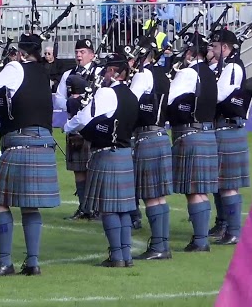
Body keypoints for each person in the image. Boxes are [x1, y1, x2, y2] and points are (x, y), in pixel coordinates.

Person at [0, 33, 61, 276]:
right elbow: (26, 110)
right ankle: (32, 263)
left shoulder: (14, 67)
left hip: (20, 143)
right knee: (30, 206)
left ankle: (5, 261)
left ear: (20, 53)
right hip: (43, 142)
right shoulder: (44, 74)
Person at [65, 57, 140, 267]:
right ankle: (126, 256)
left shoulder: (107, 92)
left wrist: (68, 126)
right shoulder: (131, 95)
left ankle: (116, 256)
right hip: (125, 153)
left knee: (108, 208)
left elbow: (84, 118)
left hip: (107, 154)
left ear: (114, 71)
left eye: (106, 70)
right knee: (124, 208)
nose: (103, 74)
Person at [168, 33, 220, 252]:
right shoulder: (210, 73)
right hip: (208, 132)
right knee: (202, 189)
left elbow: (170, 101)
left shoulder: (188, 72)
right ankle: (201, 237)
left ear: (190, 53)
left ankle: (200, 240)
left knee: (194, 189)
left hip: (190, 132)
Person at [129, 43, 175, 260]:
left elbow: (129, 103)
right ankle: (161, 245)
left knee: (150, 195)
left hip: (146, 137)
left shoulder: (143, 74)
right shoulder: (163, 74)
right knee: (159, 196)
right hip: (161, 135)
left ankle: (158, 247)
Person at [209, 29, 250, 247]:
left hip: (228, 128)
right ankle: (223, 224)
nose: (212, 51)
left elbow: (218, 95)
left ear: (224, 48)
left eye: (215, 47)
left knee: (228, 184)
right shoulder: (224, 66)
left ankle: (233, 230)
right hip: (223, 128)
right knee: (220, 182)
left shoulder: (232, 67)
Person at [54, 39, 101, 220]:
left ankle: (96, 208)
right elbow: (58, 97)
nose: (79, 56)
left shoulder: (99, 73)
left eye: (83, 52)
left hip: (94, 127)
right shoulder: (68, 74)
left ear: (92, 54)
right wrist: (70, 103)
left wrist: (84, 98)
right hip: (75, 126)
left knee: (94, 168)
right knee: (79, 170)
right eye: (77, 52)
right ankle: (84, 207)